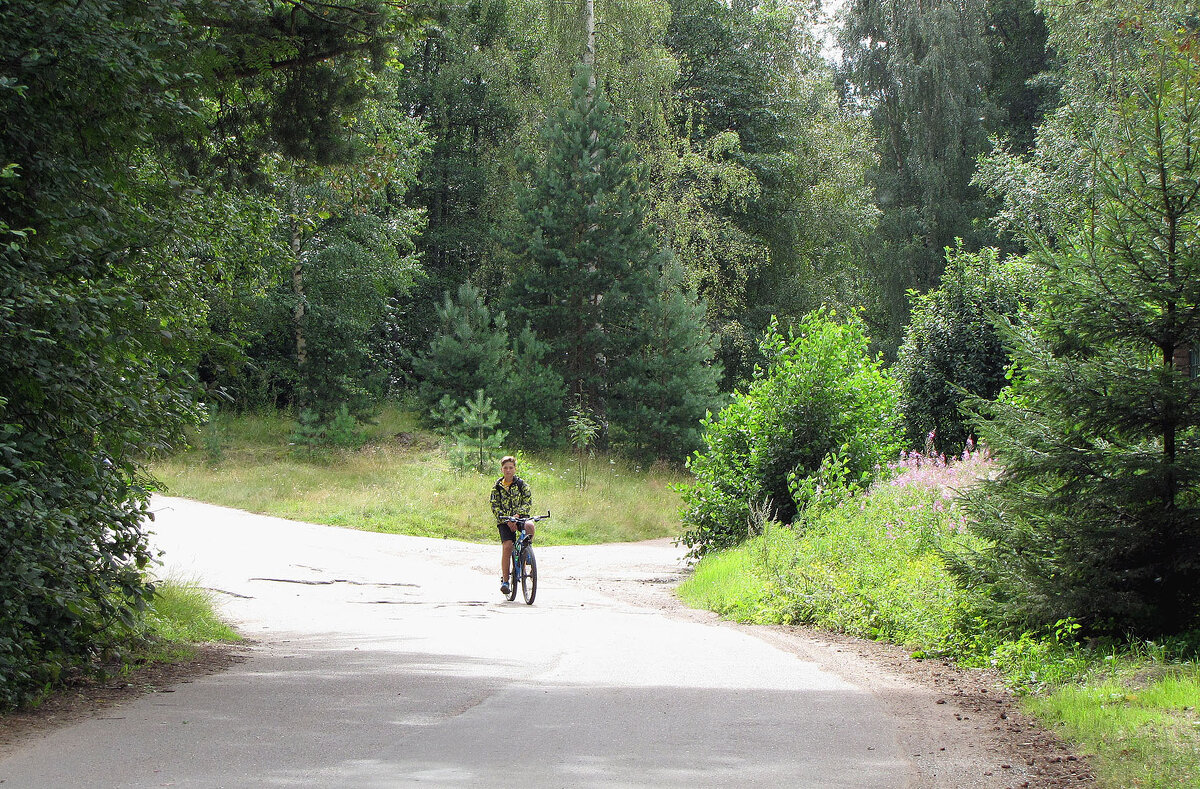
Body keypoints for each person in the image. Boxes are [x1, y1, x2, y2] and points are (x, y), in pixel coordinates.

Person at [490, 455, 534, 595]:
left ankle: (527, 552)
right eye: (505, 468)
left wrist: (518, 516)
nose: (508, 470)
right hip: (504, 521)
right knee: (508, 546)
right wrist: (507, 520)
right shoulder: (497, 487)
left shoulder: (522, 485)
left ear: (515, 469)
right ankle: (505, 580)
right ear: (502, 469)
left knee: (530, 526)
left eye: (511, 468)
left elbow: (527, 501)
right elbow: (494, 506)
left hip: (520, 518)